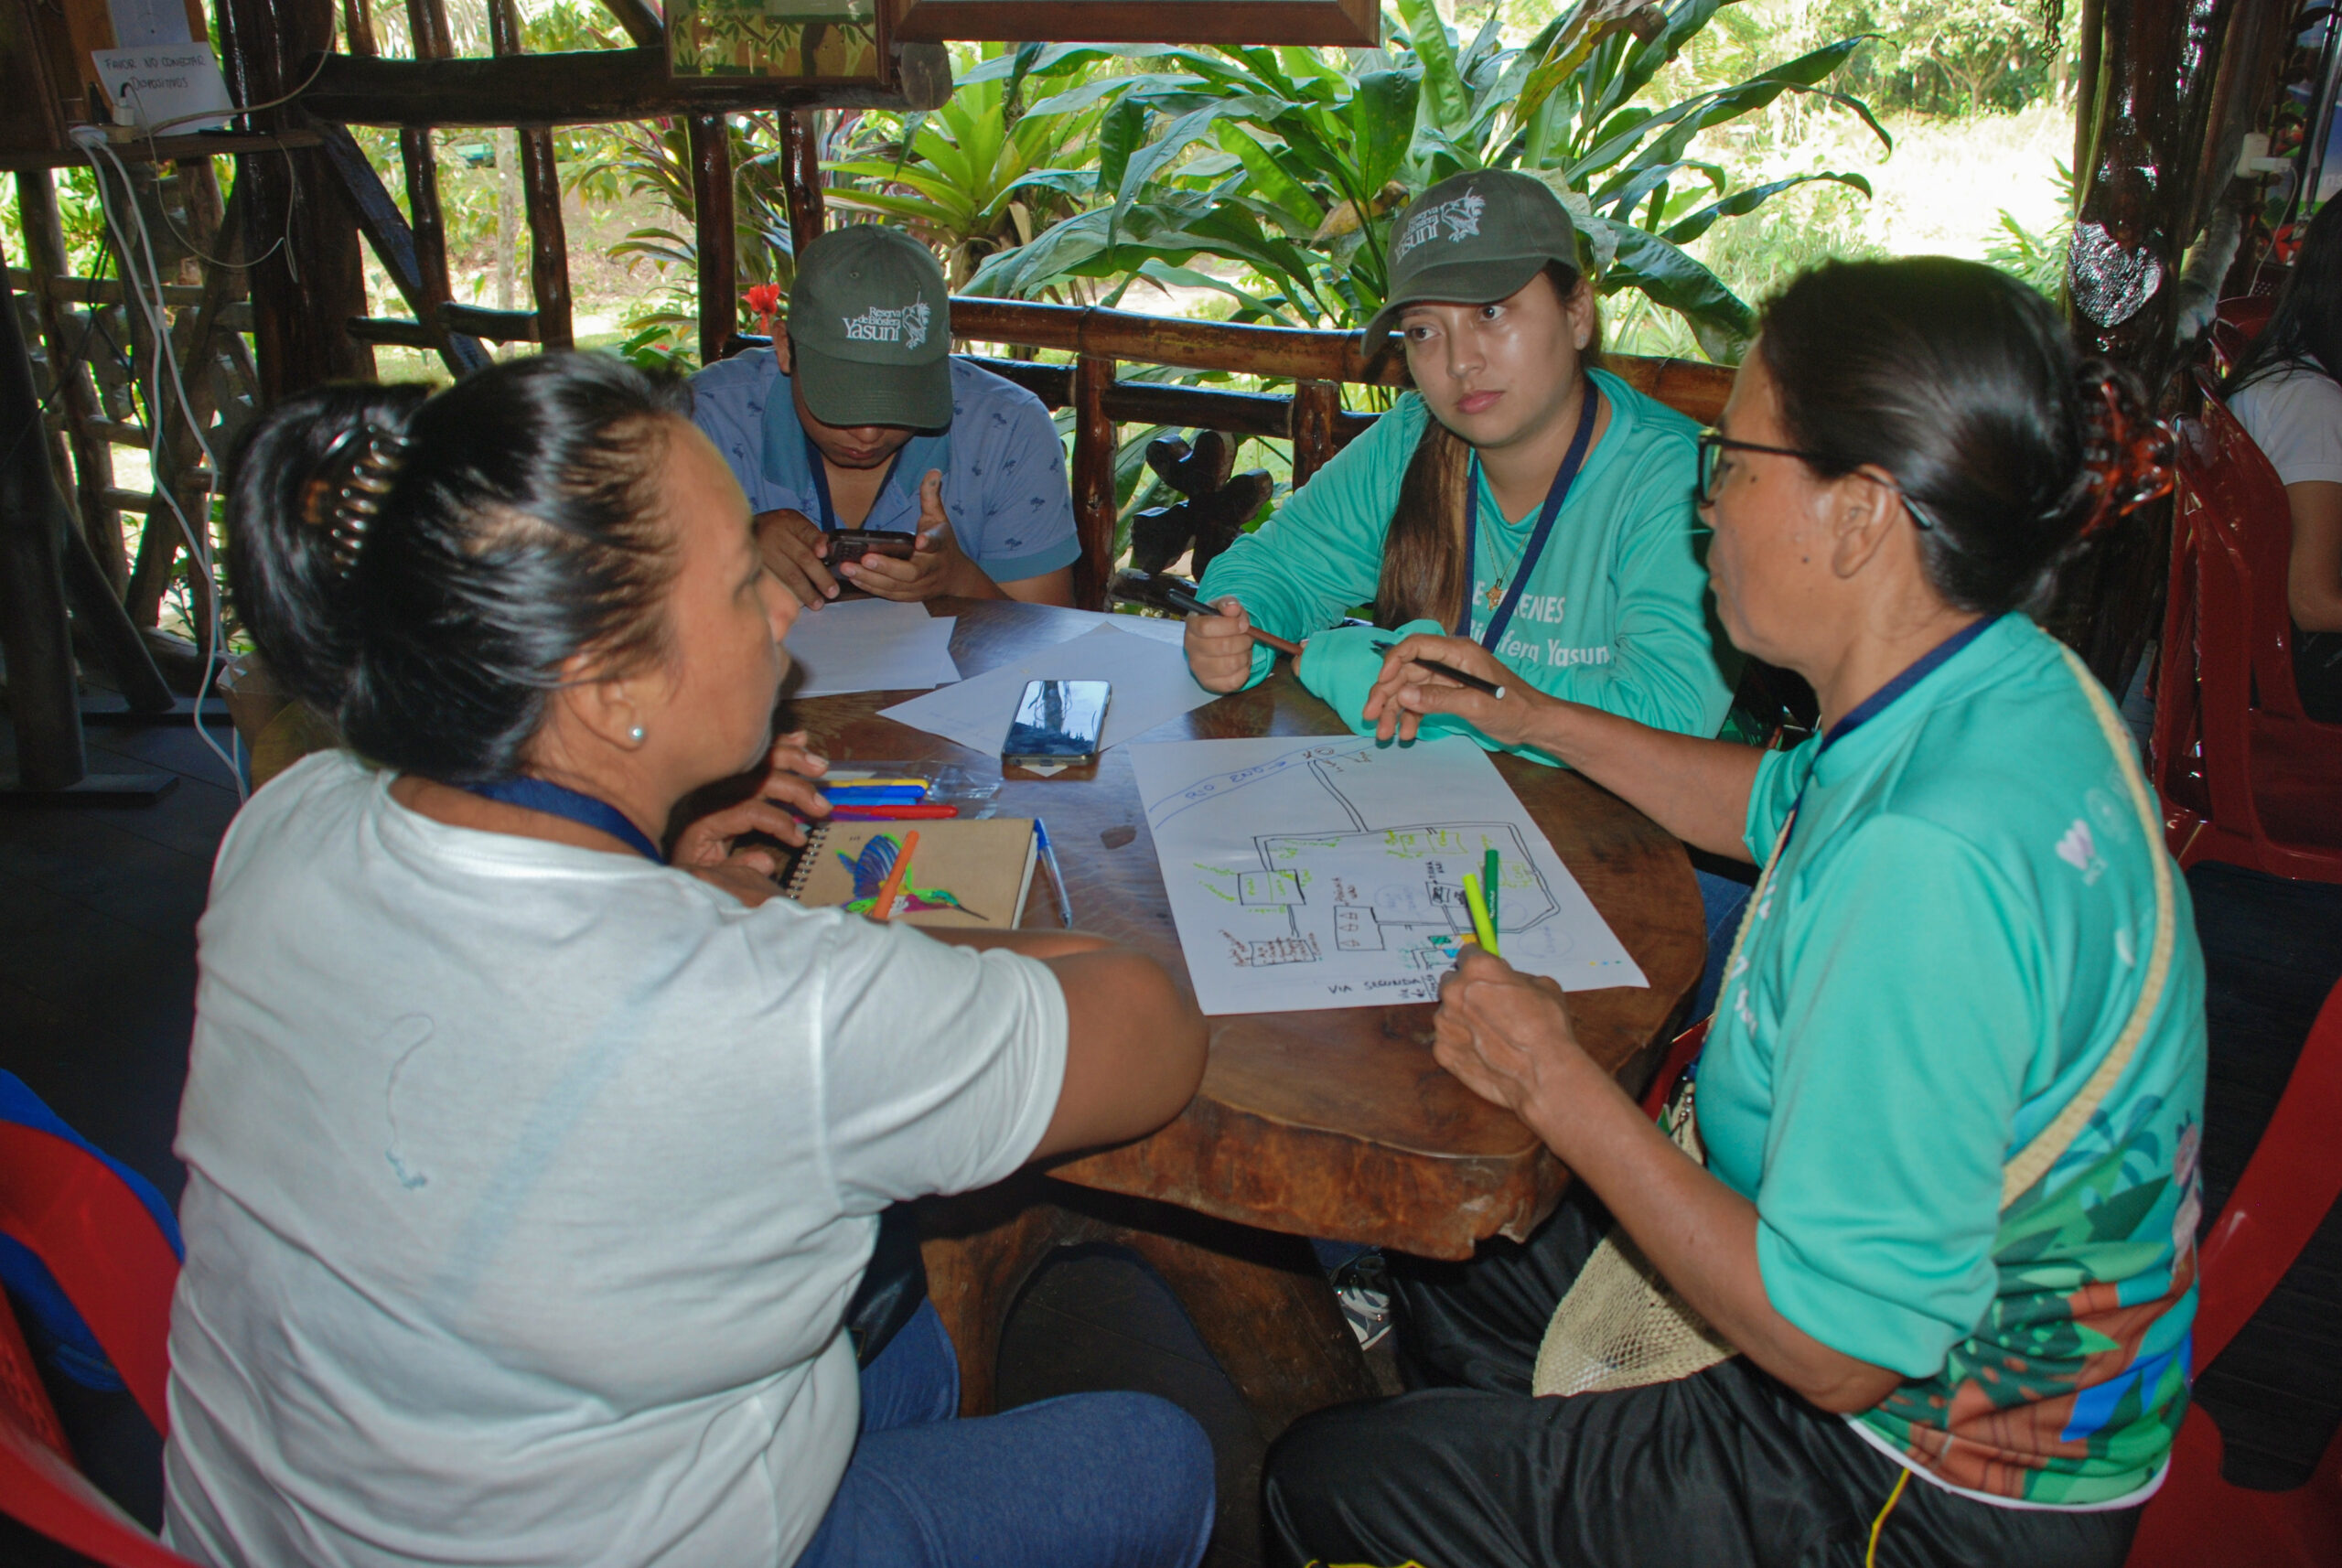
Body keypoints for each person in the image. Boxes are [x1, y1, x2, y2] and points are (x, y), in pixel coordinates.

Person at [165, 352, 1215, 1568]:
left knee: (911, 1347)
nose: (787, 615)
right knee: (1159, 1455)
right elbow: (1153, 1026)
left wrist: (663, 875)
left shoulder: (283, 830)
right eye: (739, 588)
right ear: (610, 690)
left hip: (301, 1516)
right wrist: (839, 936)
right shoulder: (771, 1011)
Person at [1263, 258, 2207, 1568]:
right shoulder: (1996, 684)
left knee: (1330, 1483)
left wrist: (1553, 1075)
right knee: (1461, 1245)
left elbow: (1840, 1349)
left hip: (1922, 1482)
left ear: (1862, 514)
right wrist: (1528, 713)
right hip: (1903, 1342)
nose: (1708, 511)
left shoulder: (1925, 860)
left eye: (1734, 463)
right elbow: (1774, 804)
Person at [690, 224, 1080, 610]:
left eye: (899, 402)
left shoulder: (1007, 430)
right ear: (784, 348)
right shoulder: (700, 425)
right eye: (841, 402)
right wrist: (730, 550)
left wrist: (958, 579)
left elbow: (1046, 642)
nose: (868, 433)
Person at [2222, 199, 2342, 723]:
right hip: (2298, 678)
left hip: (2265, 655)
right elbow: (2313, 601)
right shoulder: (2310, 405)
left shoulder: (2289, 367)